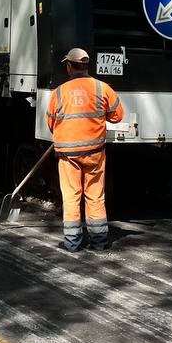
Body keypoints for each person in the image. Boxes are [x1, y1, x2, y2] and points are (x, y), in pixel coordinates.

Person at [46, 47, 125, 252]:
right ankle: (99, 241)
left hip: (68, 155)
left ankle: (72, 242)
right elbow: (117, 116)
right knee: (95, 196)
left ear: (69, 67)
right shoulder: (102, 88)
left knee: (71, 196)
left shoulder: (59, 92)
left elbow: (51, 122)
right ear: (86, 66)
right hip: (95, 153)